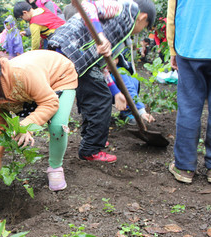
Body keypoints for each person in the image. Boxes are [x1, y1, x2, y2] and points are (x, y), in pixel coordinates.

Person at [0, 47, 78, 192]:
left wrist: (25, 126)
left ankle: (55, 167)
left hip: (59, 77)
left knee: (58, 125)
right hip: (30, 89)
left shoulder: (22, 74)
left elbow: (49, 102)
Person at [48, 0, 156, 163]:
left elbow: (102, 66)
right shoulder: (126, 9)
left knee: (93, 95)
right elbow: (88, 6)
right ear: (143, 17)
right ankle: (91, 148)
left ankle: (91, 138)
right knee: (101, 97)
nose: (141, 32)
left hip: (77, 58)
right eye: (145, 27)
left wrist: (116, 93)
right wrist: (100, 35)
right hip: (71, 48)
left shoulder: (120, 31)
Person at [167, 0, 211, 184]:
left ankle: (184, 167)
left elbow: (172, 15)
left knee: (189, 108)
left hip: (189, 46)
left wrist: (172, 49)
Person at [104, 56, 155, 126]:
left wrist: (142, 111)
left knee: (128, 90)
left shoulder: (121, 72)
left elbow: (129, 89)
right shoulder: (99, 70)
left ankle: (127, 112)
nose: (106, 63)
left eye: (109, 60)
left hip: (124, 92)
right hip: (109, 93)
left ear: (116, 60)